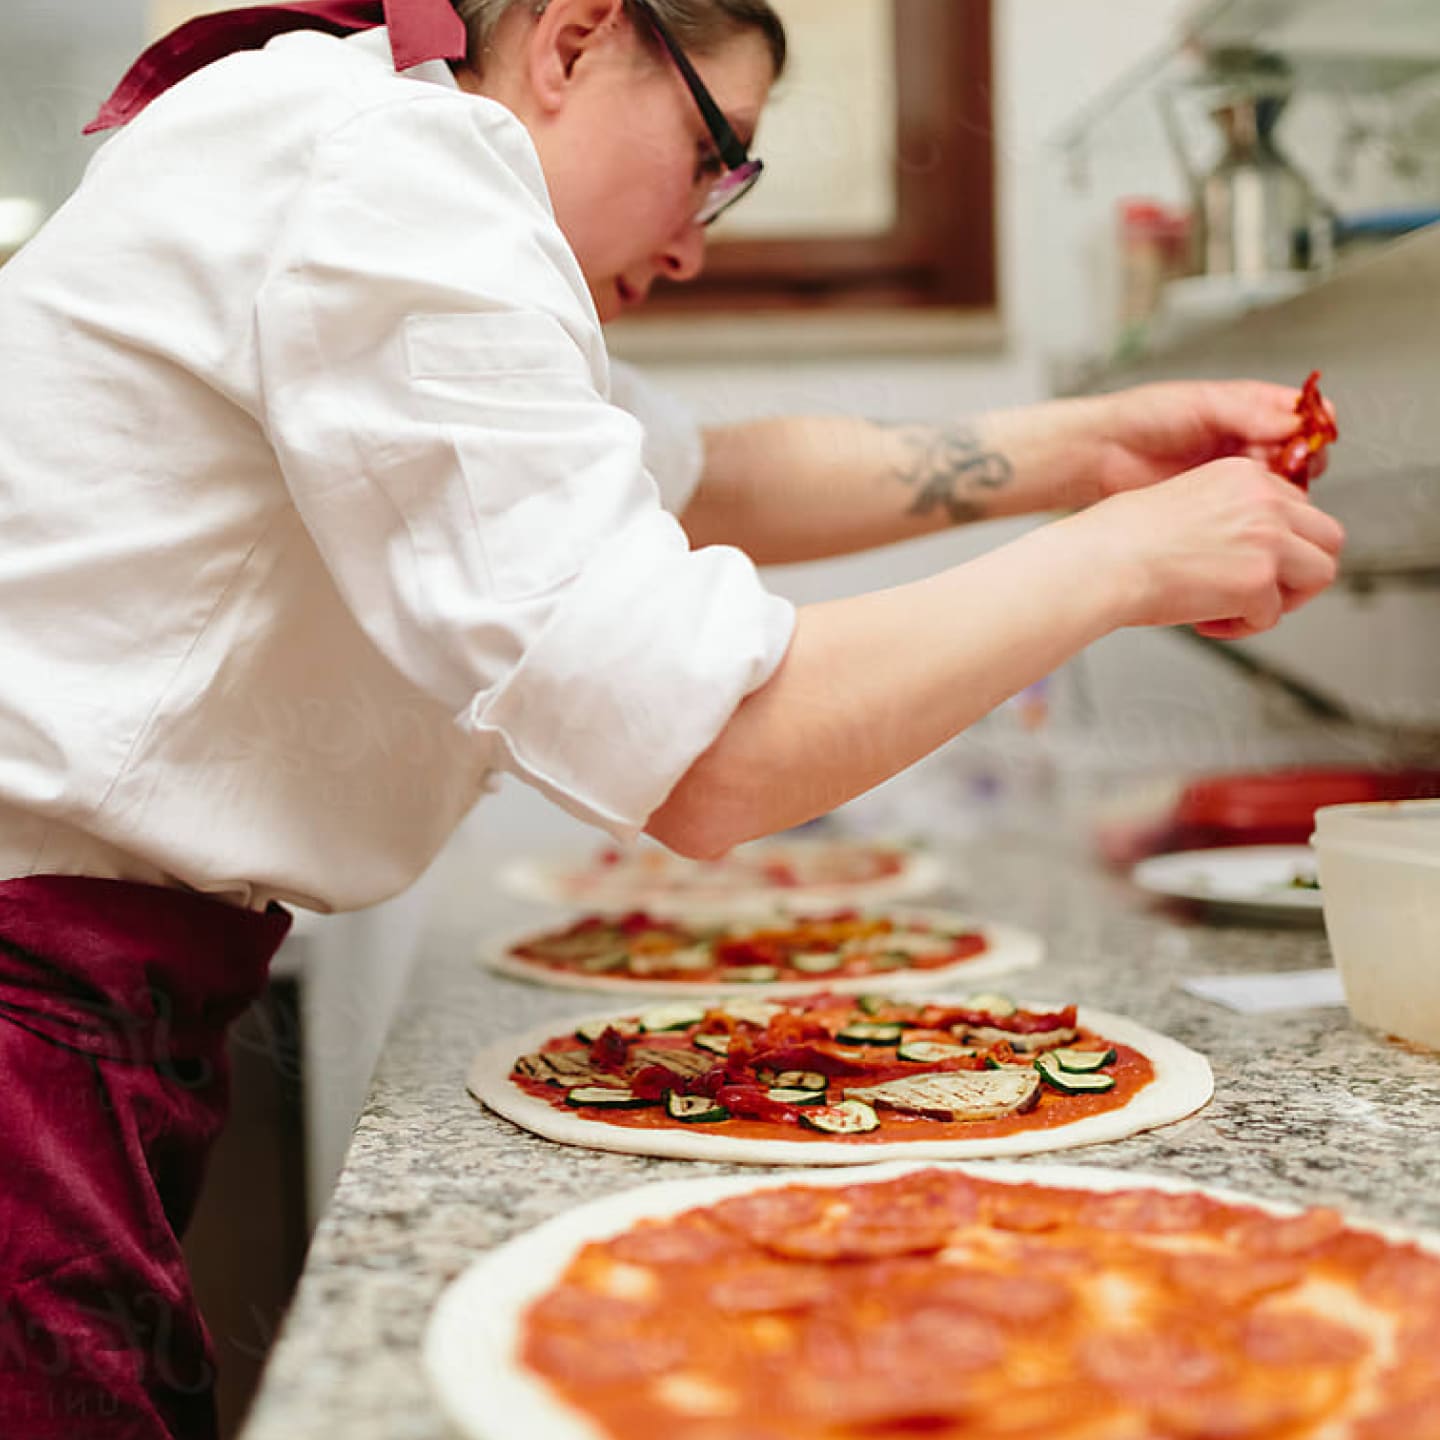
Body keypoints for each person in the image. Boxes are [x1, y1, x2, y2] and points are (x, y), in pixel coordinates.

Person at [0, 0, 1343, 1434]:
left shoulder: (361, 152)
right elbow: (712, 753)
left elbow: (706, 480)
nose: (702, 237)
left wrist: (1090, 450)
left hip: (104, 986)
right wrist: (1126, 561)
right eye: (718, 153)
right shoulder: (388, 172)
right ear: (576, 43)